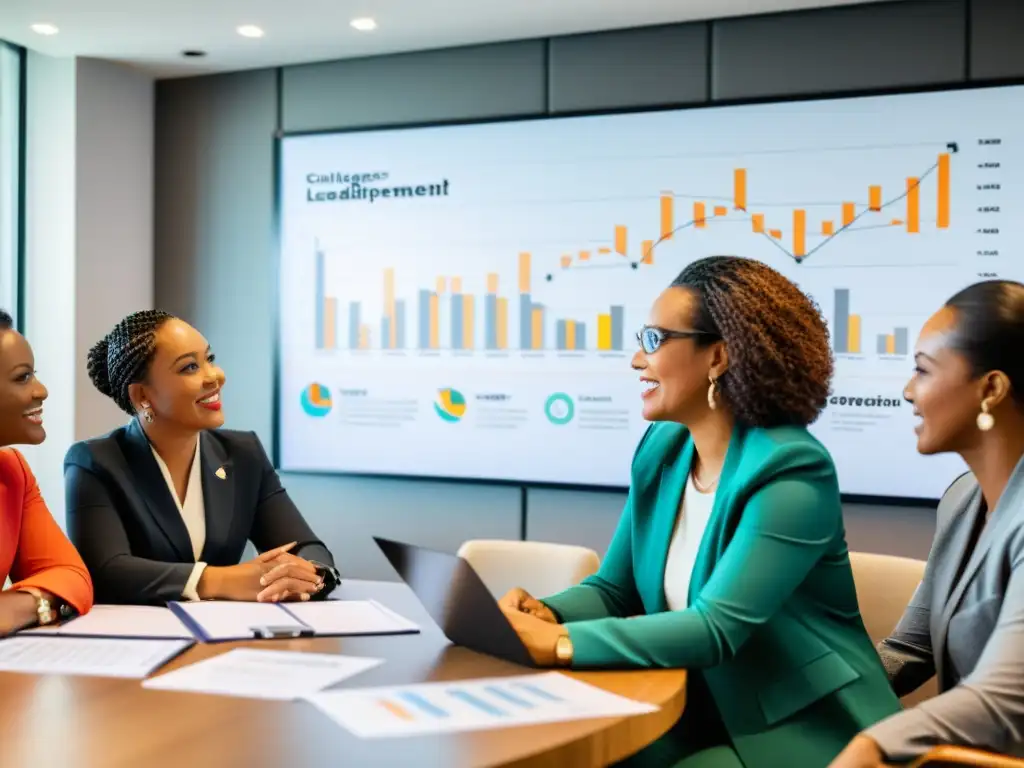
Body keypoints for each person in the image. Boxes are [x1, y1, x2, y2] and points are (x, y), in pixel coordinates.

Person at [500, 256, 900, 768]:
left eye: (653, 341)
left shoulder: (791, 468)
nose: (635, 360)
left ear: (718, 357)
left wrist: (558, 643)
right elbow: (614, 589)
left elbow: (715, 628)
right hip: (694, 705)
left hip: (805, 727)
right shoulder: (662, 448)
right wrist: (548, 612)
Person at [830, 280, 1024, 767]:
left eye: (922, 370)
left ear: (991, 389)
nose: (908, 390)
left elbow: (1002, 698)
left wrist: (873, 744)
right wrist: (801, 693)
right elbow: (908, 650)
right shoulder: (962, 499)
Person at [65, 310, 340, 606]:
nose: (215, 375)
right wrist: (221, 580)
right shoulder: (94, 462)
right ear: (142, 395)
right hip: (139, 641)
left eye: (209, 359)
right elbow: (107, 571)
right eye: (190, 367)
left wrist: (311, 575)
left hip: (226, 637)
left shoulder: (243, 453)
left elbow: (307, 546)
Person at [0, 310, 93, 634]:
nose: (41, 390)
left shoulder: (12, 473)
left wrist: (17, 607)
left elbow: (72, 576)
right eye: (22, 377)